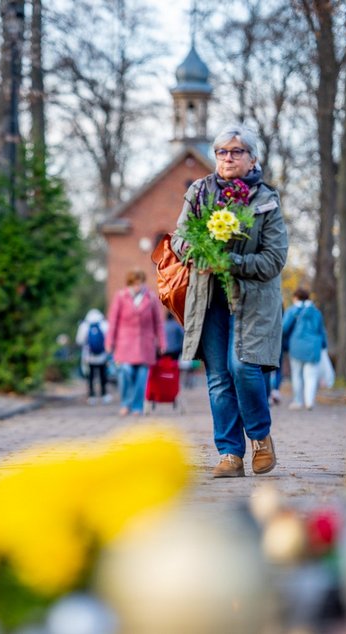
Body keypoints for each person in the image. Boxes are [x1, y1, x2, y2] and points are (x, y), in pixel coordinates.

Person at [171, 124, 288, 478]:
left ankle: (260, 437)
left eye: (236, 151)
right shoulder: (200, 191)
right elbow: (179, 238)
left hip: (252, 299)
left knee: (242, 366)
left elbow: (274, 259)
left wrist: (231, 262)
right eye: (222, 152)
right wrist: (197, 250)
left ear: (252, 158)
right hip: (208, 298)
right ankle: (230, 454)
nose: (227, 158)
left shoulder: (266, 199)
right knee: (219, 376)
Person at [107, 269, 165, 416]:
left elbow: (158, 322)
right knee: (125, 371)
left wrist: (162, 342)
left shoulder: (151, 298)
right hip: (124, 343)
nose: (137, 286)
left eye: (140, 283)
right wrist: (109, 342)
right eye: (134, 283)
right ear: (129, 283)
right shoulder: (120, 297)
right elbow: (113, 322)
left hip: (145, 343)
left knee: (142, 376)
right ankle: (126, 403)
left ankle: (137, 407)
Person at [283, 287, 328, 410]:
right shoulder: (316, 312)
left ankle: (298, 401)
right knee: (311, 376)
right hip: (314, 347)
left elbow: (284, 328)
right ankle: (309, 401)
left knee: (297, 375)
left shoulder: (293, 310)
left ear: (296, 298)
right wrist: (324, 345)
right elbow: (321, 331)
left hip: (296, 346)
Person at [76, 308, 112, 404]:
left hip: (89, 356)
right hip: (102, 356)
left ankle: (92, 396)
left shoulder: (84, 325)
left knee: (91, 376)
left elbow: (79, 340)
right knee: (103, 375)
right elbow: (109, 338)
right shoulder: (104, 324)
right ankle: (104, 395)